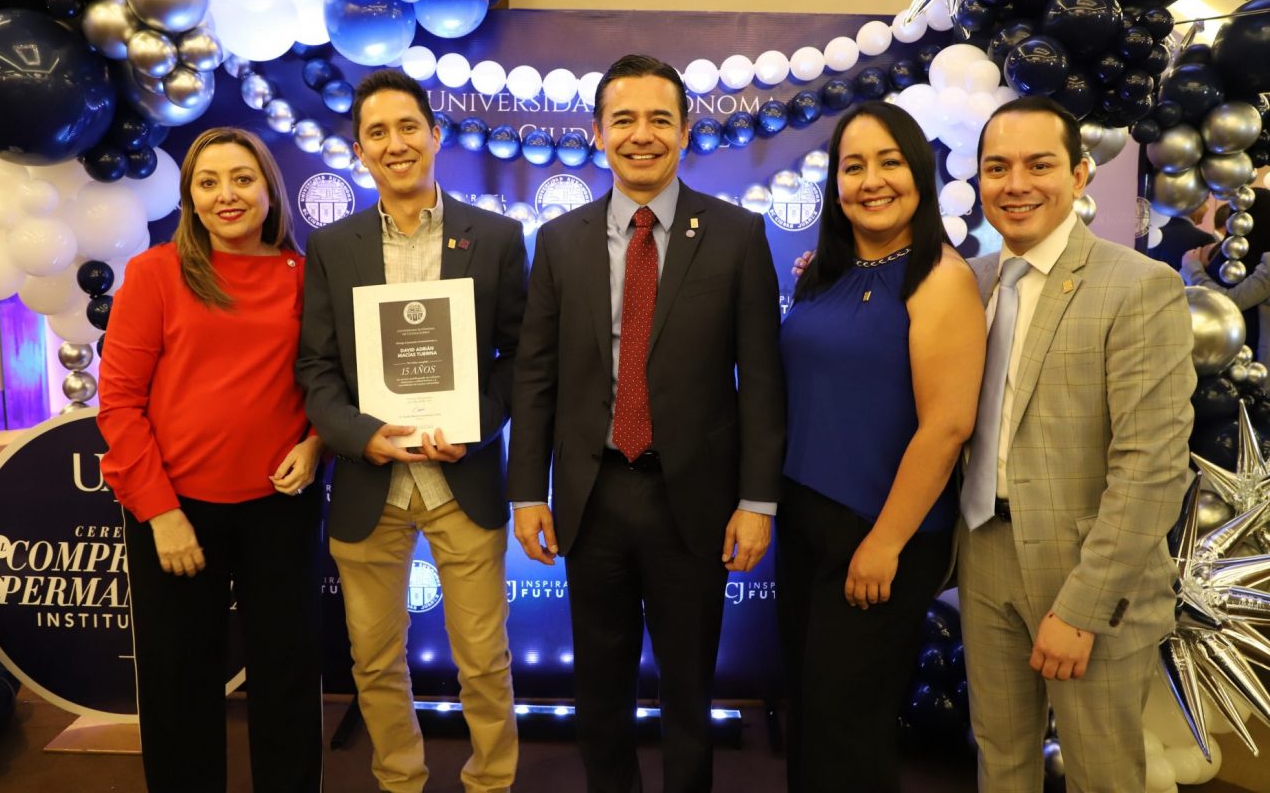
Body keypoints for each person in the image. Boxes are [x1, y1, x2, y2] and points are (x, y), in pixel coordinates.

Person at [507, 54, 785, 793]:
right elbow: (535, 375)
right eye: (623, 120)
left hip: (693, 500)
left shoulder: (736, 235)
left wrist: (757, 502)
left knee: (689, 690)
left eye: (660, 119)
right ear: (598, 133)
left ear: (685, 132)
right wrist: (527, 491)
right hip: (592, 496)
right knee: (600, 689)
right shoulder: (559, 240)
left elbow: (761, 381)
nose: (642, 135)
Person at [296, 69, 527, 793]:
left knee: (483, 660)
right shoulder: (332, 246)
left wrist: (474, 425)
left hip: (463, 476)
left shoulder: (496, 237)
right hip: (371, 482)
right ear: (358, 151)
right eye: (377, 133)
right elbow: (316, 367)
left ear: (435, 134)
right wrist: (358, 434)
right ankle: (400, 781)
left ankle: (491, 781)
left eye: (407, 127)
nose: (394, 144)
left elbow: (520, 356)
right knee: (373, 660)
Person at [959, 96, 1194, 791]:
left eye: (1039, 165)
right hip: (983, 553)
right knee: (1000, 763)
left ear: (1080, 174)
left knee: (1103, 776)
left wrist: (1083, 607)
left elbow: (1152, 469)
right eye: (997, 168)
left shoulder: (1139, 286)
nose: (1016, 184)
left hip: (1090, 571)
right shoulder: (970, 282)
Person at [98, 127, 323, 793]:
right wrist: (160, 512)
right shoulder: (155, 273)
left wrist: (317, 443)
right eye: (208, 182)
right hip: (176, 512)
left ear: (269, 190)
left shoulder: (306, 276)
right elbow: (119, 404)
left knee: (286, 679)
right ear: (190, 198)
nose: (227, 194)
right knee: (178, 686)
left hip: (281, 506)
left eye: (242, 179)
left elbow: (332, 379)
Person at [778, 101, 985, 792]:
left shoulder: (940, 277)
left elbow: (947, 426)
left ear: (920, 173)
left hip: (881, 529)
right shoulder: (824, 272)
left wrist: (886, 541)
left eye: (889, 162)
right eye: (853, 166)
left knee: (847, 730)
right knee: (811, 716)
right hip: (806, 518)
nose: (871, 180)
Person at [1182, 187, 1270, 362]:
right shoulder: (1226, 252)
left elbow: (1230, 302)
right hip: (1224, 347)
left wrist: (1193, 269)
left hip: (1247, 355)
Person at [1147, 198, 1215, 271]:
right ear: (1195, 204)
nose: (1208, 208)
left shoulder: (1150, 233)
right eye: (1206, 202)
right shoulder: (1204, 239)